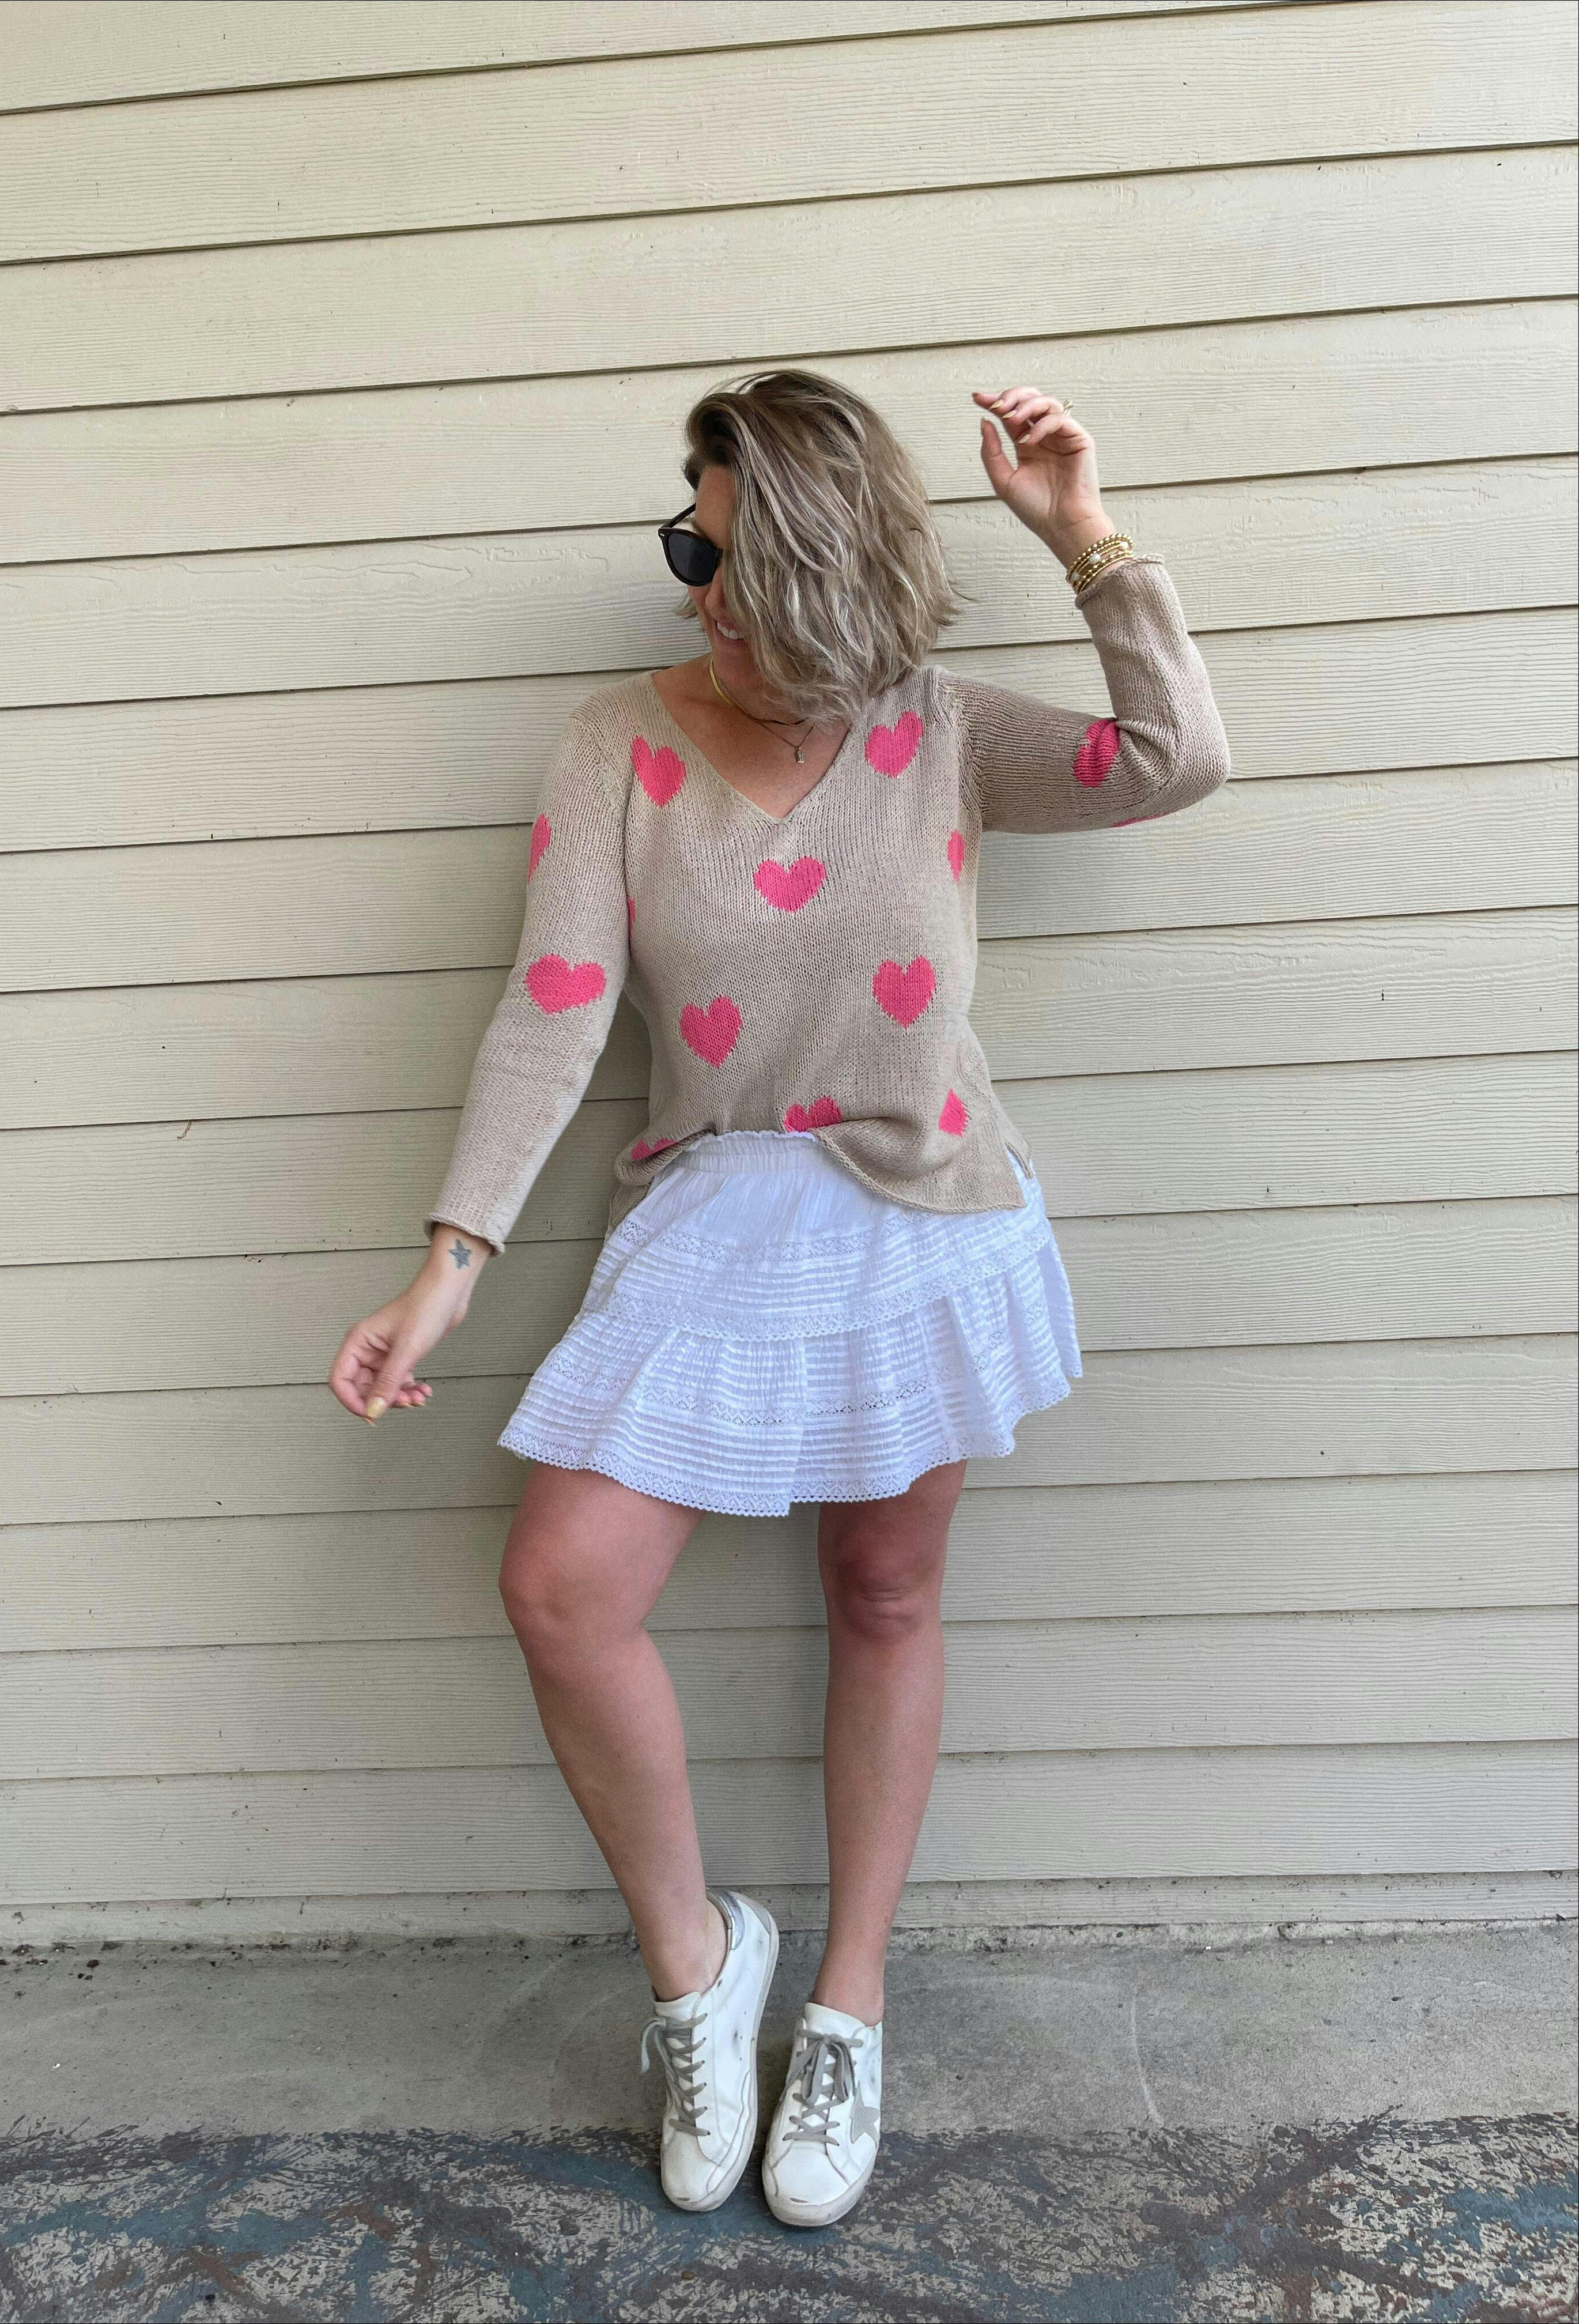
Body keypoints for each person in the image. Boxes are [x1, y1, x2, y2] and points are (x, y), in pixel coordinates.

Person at [329, 367, 1232, 2227]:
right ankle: (701, 1969)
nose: (698, 593)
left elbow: (1172, 761)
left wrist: (1088, 540)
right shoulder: (618, 742)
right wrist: (449, 1264)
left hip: (926, 1210)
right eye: (691, 548)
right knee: (562, 1586)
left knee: (885, 1592)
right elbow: (554, 1014)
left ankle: (849, 2006)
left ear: (828, 571)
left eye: (727, 561)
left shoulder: (939, 731)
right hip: (718, 1206)